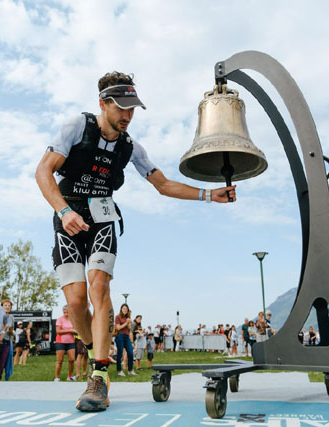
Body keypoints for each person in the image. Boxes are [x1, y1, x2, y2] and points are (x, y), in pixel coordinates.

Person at [35, 71, 236, 412]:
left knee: (99, 289)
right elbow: (43, 172)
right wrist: (64, 210)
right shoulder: (75, 127)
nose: (128, 116)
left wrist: (209, 195)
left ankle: (98, 376)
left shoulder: (131, 148)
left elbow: (164, 184)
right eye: (121, 108)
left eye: (133, 109)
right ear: (103, 104)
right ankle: (94, 344)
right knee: (77, 302)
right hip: (68, 218)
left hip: (102, 219)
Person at [0, 299, 15, 381]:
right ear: (1, 307)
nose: (7, 307)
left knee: (1, 365)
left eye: (9, 305)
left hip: (6, 343)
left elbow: (11, 330)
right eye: (5, 305)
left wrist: (11, 332)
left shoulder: (11, 317)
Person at [55, 305, 77, 382]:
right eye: (64, 312)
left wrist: (75, 332)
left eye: (67, 312)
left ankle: (70, 376)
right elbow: (58, 331)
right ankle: (57, 377)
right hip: (60, 342)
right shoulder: (59, 319)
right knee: (59, 360)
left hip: (71, 342)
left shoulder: (73, 320)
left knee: (71, 360)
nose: (66, 313)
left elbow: (75, 330)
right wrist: (70, 331)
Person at [114, 303, 135, 376]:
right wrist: (126, 323)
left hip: (126, 336)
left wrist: (129, 323)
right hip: (120, 336)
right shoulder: (117, 317)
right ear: (121, 309)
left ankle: (130, 370)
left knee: (130, 353)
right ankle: (119, 371)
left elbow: (129, 329)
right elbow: (118, 328)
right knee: (120, 354)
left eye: (126, 309)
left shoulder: (127, 318)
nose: (125, 310)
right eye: (123, 308)